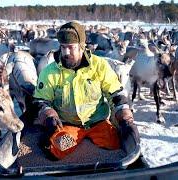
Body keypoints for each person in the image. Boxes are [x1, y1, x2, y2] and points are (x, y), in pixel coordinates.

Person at [33, 21, 140, 160]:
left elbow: (116, 94)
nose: (65, 52)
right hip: (69, 125)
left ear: (81, 47)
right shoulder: (50, 72)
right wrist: (49, 116)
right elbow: (41, 100)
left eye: (71, 47)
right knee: (58, 149)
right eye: (63, 47)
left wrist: (126, 119)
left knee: (115, 144)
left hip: (98, 123)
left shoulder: (99, 65)